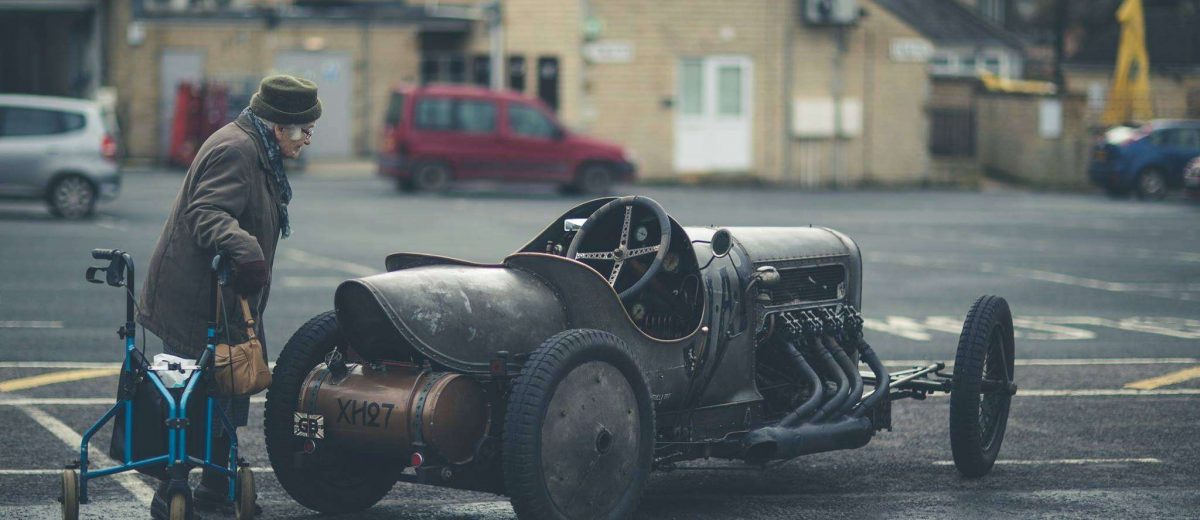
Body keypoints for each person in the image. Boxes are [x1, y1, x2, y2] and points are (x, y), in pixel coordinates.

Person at [137, 75, 320, 516]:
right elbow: (205, 211)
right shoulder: (238, 150)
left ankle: (215, 490)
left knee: (229, 390)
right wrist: (247, 250)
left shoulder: (257, 147)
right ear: (280, 126)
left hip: (224, 299)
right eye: (305, 129)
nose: (308, 138)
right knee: (197, 398)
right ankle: (171, 495)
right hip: (198, 302)